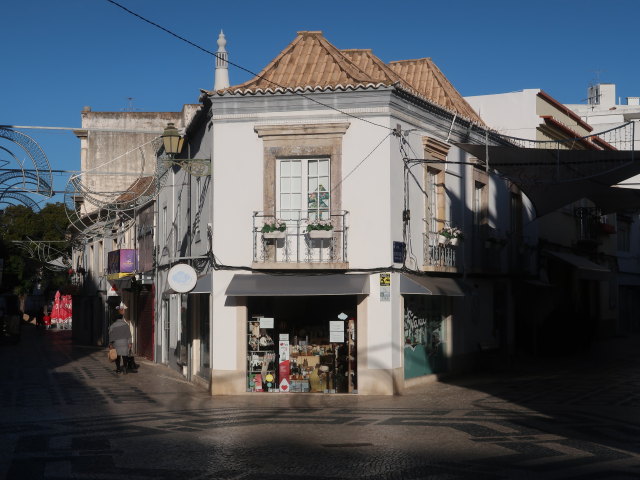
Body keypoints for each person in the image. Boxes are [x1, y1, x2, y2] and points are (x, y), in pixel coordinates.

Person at [109, 303, 132, 374]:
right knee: (125, 356)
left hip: (117, 343)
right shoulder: (126, 325)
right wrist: (130, 343)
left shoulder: (113, 325)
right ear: (121, 318)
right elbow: (129, 335)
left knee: (118, 356)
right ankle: (125, 368)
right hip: (124, 343)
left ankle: (118, 369)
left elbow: (111, 334)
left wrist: (110, 344)